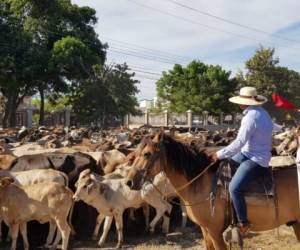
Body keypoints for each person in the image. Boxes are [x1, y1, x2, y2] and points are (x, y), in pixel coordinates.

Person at [211, 86, 273, 234]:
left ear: (244, 102)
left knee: (234, 187)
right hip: (248, 153)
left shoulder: (251, 117)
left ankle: (243, 223)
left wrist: (218, 154)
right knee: (224, 167)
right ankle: (227, 207)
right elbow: (272, 127)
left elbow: (239, 142)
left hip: (256, 159)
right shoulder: (263, 113)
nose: (239, 103)